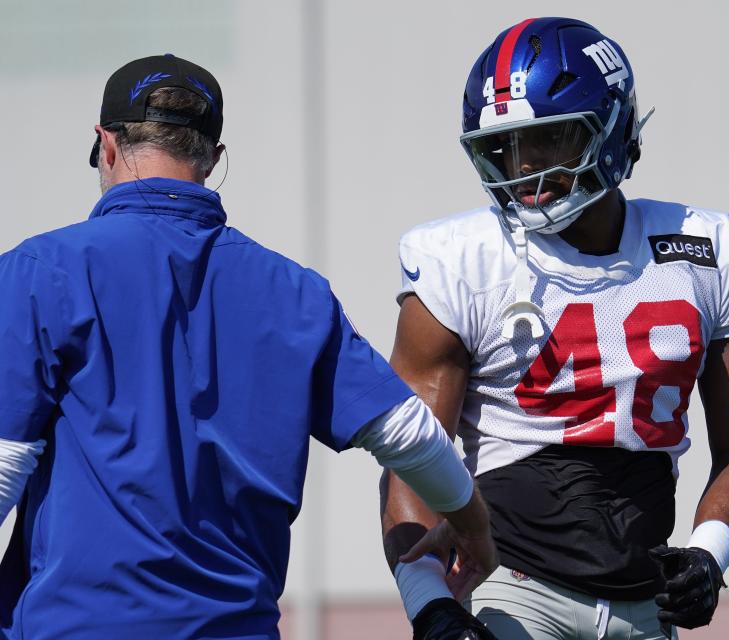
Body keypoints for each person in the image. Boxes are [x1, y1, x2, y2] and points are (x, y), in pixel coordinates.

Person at [0, 54, 496, 639]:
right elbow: (408, 435)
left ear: (105, 145)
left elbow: (5, 462)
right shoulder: (296, 294)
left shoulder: (40, 270)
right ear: (213, 157)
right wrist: (472, 526)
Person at [382, 17, 729, 640]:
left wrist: (708, 554)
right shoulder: (461, 258)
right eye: (507, 146)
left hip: (648, 596)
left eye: (551, 140)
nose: (525, 167)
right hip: (514, 587)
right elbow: (410, 453)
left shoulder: (704, 247)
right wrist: (431, 606)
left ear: (613, 128)